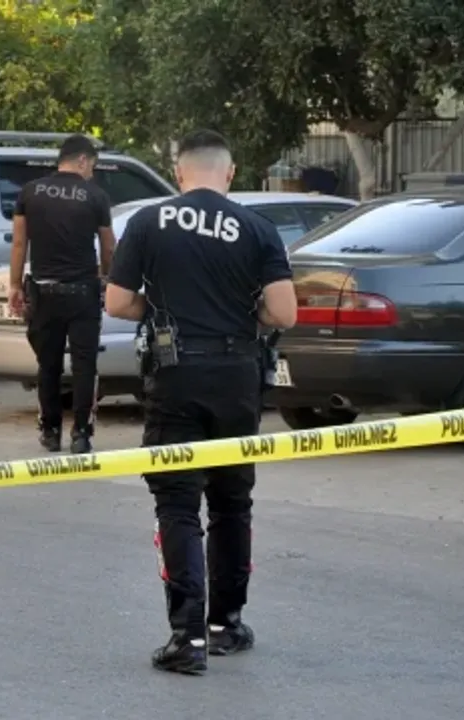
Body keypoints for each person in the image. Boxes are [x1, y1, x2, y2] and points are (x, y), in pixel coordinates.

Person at [104, 129, 298, 676]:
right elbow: (284, 313)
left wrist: (159, 310)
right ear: (230, 173)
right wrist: (243, 318)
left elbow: (117, 301)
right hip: (237, 375)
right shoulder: (257, 228)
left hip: (175, 375)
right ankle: (225, 625)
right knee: (233, 503)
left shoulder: (148, 222)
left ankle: (186, 637)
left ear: (178, 172)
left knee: (178, 503)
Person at [8, 134, 116, 454]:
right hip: (83, 292)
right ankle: (81, 433)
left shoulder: (30, 192)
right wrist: (106, 278)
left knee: (48, 364)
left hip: (43, 291)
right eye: (92, 166)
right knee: (85, 365)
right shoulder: (96, 196)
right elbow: (108, 246)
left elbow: (19, 243)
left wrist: (15, 285)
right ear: (82, 160)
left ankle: (50, 430)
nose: (91, 173)